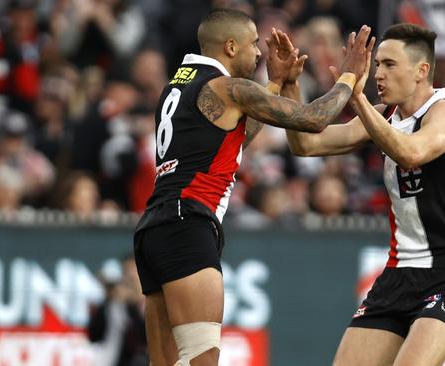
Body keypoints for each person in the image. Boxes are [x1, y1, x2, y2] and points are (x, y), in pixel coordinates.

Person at [132, 8, 373, 366]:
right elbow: (314, 119)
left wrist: (274, 85)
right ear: (230, 46)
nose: (259, 53)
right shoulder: (226, 86)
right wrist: (349, 76)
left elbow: (229, 144)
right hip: (188, 226)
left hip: (153, 229)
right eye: (252, 45)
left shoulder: (179, 86)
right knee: (201, 359)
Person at [283, 23, 445, 365]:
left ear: (421, 71)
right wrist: (289, 85)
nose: (378, 74)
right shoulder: (383, 115)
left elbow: (411, 153)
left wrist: (356, 97)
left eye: (389, 64)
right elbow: (306, 144)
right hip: (397, 274)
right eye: (377, 65)